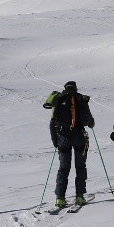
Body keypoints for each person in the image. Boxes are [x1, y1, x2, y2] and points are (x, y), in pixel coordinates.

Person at [42, 81, 94, 209]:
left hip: (63, 138)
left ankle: (60, 198)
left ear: (64, 88)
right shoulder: (81, 99)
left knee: (63, 168)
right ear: (76, 88)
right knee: (80, 167)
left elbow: (52, 122)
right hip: (79, 137)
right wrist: (90, 123)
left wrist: (55, 142)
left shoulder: (58, 99)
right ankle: (79, 196)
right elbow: (89, 121)